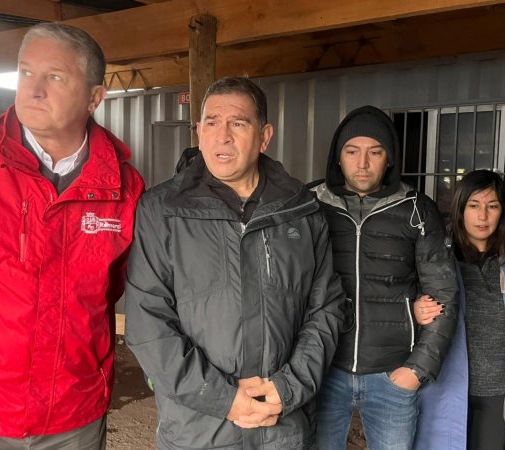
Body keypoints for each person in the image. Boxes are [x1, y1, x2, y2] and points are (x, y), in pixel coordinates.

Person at [0, 23, 144, 449]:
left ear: (94, 97)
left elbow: (115, 288)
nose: (33, 90)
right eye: (25, 73)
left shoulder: (124, 188)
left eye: (54, 77)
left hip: (73, 414)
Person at [124, 76, 351, 449]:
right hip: (199, 431)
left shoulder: (301, 210)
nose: (222, 136)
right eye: (212, 123)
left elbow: (325, 308)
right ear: (199, 132)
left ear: (264, 137)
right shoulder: (162, 210)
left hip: (283, 428)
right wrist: (223, 399)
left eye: (238, 124)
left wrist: (288, 388)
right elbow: (148, 321)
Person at [311, 105, 459, 450]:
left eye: (375, 152)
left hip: (392, 374)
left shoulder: (417, 209)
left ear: (389, 158)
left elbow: (444, 294)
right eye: (352, 151)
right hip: (323, 372)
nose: (362, 163)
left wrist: (415, 371)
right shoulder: (311, 204)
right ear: (338, 157)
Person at [414, 169, 505, 450]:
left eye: (492, 206)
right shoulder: (436, 259)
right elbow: (403, 303)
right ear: (460, 209)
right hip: (446, 388)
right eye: (474, 205)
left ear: (502, 212)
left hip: (498, 393)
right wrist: (414, 308)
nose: (482, 216)